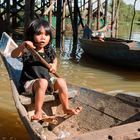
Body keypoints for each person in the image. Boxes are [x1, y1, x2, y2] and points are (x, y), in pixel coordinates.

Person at [11, 18, 82, 121]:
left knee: (61, 81)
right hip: (30, 84)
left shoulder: (49, 50)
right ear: (31, 35)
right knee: (43, 82)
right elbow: (13, 55)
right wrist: (22, 46)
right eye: (39, 34)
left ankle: (65, 108)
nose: (43, 37)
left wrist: (54, 65)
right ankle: (38, 111)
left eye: (46, 34)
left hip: (46, 81)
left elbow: (55, 59)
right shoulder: (27, 49)